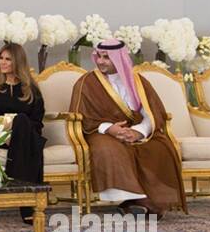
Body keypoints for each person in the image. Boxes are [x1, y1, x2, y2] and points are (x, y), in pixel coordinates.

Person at [70, 39, 185, 217]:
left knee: (161, 147)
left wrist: (139, 132)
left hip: (135, 131)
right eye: (99, 56)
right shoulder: (86, 82)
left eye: (106, 57)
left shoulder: (138, 81)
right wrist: (110, 129)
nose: (100, 61)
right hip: (101, 132)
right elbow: (82, 116)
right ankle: (143, 201)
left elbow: (152, 113)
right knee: (108, 148)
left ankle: (136, 203)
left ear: (120, 58)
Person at [0, 42, 46, 223]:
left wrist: (17, 133)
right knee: (22, 126)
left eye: (8, 59)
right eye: (1, 58)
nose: (3, 62)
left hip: (26, 137)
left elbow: (38, 122)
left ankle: (20, 192)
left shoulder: (31, 89)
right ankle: (27, 205)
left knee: (22, 121)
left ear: (18, 61)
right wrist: (5, 135)